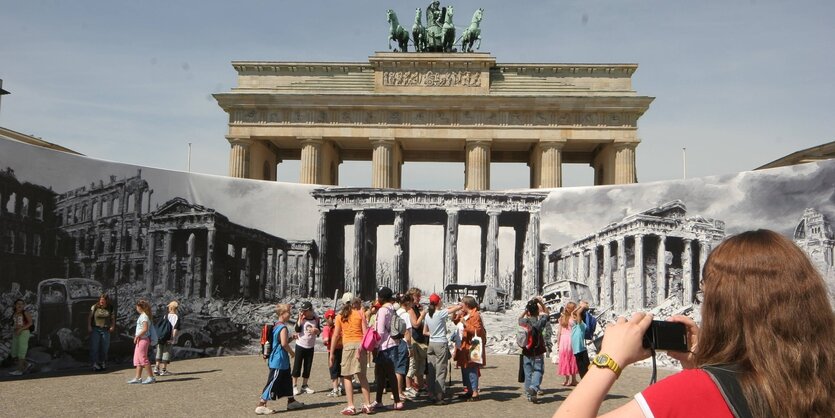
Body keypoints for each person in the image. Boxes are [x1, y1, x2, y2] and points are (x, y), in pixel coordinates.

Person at [553, 230, 835, 418]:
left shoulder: (690, 392)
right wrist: (704, 366)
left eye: (704, 291)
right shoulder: (822, 379)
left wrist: (608, 360)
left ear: (722, 304)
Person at [256, 303, 304, 415]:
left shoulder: (276, 325)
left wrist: (291, 337)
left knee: (287, 380)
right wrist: (292, 352)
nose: (290, 314)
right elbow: (283, 344)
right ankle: (262, 404)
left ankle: (291, 401)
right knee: (273, 381)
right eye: (288, 312)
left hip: (281, 361)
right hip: (279, 360)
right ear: (282, 314)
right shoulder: (282, 327)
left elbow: (280, 341)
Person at [331, 293, 373, 415]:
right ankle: (367, 404)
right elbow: (365, 332)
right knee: (362, 376)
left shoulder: (340, 316)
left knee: (347, 376)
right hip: (360, 346)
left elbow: (335, 335)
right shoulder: (360, 314)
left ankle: (351, 405)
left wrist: (332, 353)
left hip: (348, 346)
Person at [423, 293, 462, 404]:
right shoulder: (440, 313)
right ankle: (439, 396)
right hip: (441, 343)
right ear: (438, 302)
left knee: (431, 370)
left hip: (431, 344)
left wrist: (434, 333)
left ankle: (430, 393)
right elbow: (455, 308)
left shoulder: (428, 315)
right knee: (441, 370)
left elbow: (424, 332)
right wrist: (459, 304)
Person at [372, 286, 404, 411]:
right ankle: (378, 400)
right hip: (393, 343)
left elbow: (379, 332)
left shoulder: (382, 311)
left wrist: (375, 345)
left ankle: (397, 401)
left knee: (389, 374)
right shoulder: (392, 308)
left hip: (384, 346)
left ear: (382, 298)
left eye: (379, 296)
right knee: (381, 374)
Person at [452, 295, 486, 401]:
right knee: (464, 368)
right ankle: (469, 390)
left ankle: (475, 392)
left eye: (462, 303)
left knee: (472, 368)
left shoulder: (475, 315)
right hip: (464, 344)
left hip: (473, 344)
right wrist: (454, 312)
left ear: (466, 304)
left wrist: (465, 324)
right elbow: (455, 321)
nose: (460, 305)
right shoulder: (465, 313)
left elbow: (478, 331)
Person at [519, 296, 549, 403]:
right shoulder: (538, 323)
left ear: (528, 312)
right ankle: (534, 387)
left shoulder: (523, 322)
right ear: (537, 311)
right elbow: (546, 314)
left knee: (528, 373)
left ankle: (530, 395)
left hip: (526, 351)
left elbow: (519, 318)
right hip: (537, 351)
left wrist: (526, 310)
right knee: (538, 370)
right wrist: (541, 302)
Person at [292, 301, 320, 395]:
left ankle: (304, 385)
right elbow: (297, 329)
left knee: (307, 366)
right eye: (302, 310)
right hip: (300, 345)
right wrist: (300, 319)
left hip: (310, 346)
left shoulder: (316, 318)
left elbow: (319, 331)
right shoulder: (302, 318)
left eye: (305, 311)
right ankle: (294, 386)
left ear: (310, 310)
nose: (303, 312)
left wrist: (317, 331)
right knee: (297, 366)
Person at [406, 288, 428, 397]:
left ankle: (421, 386)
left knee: (421, 365)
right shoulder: (410, 309)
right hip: (414, 339)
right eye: (417, 296)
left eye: (419, 296)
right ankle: (408, 387)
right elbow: (415, 324)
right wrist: (423, 314)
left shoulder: (416, 308)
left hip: (420, 338)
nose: (419, 298)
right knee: (413, 365)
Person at [128, 299, 155, 384]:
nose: (136, 308)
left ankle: (151, 377)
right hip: (140, 339)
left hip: (143, 339)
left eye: (137, 306)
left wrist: (137, 336)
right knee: (138, 359)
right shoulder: (142, 316)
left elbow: (145, 329)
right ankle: (138, 377)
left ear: (140, 307)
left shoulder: (144, 317)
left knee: (143, 358)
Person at [87, 293, 115, 372]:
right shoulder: (95, 307)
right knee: (94, 347)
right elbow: (90, 317)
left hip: (105, 329)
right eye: (100, 300)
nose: (101, 302)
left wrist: (112, 326)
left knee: (104, 347)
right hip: (96, 329)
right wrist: (89, 326)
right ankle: (94, 364)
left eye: (103, 300)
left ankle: (103, 362)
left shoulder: (110, 307)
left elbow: (112, 318)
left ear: (106, 301)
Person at [153, 300, 180, 376]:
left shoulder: (165, 315)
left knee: (159, 351)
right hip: (168, 337)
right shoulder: (176, 317)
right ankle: (163, 370)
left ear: (170, 308)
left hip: (160, 337)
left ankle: (156, 367)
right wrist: (173, 338)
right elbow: (175, 329)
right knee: (166, 352)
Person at [322, 308, 344, 397]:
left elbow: (326, 340)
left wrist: (325, 341)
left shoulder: (326, 328)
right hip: (341, 348)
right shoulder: (339, 326)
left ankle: (335, 389)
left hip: (332, 350)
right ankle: (342, 388)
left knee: (333, 369)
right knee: (341, 369)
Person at [556, 301, 578, 386]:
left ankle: (566, 380)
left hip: (563, 340)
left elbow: (559, 332)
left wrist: (558, 343)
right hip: (571, 339)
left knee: (564, 359)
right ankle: (573, 380)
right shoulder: (574, 318)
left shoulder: (562, 318)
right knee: (572, 359)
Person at [9, 299, 33, 376]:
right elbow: (14, 323)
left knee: (21, 351)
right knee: (14, 352)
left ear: (23, 305)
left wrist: (21, 329)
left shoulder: (25, 312)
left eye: (22, 304)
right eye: (18, 304)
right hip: (16, 333)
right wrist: (13, 329)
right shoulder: (14, 313)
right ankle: (27, 364)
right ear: (15, 305)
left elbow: (30, 323)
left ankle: (20, 371)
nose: (20, 305)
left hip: (24, 332)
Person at [571, 304, 590, 378]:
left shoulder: (582, 325)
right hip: (576, 350)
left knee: (585, 369)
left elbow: (578, 313)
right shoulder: (575, 325)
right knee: (581, 369)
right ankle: (585, 381)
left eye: (576, 317)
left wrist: (583, 307)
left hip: (581, 350)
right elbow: (573, 313)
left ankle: (587, 382)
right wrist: (579, 307)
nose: (574, 317)